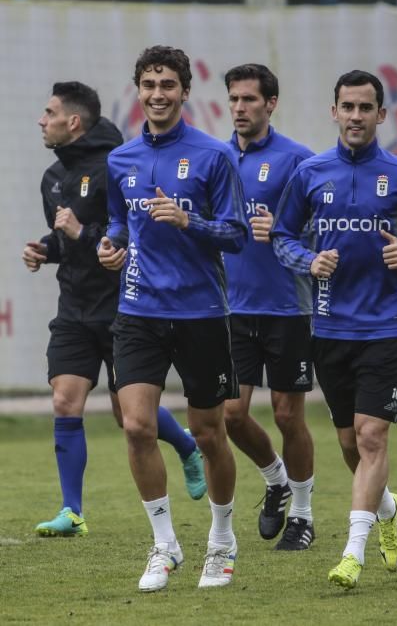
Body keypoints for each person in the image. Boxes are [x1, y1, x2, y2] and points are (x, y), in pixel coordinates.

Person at [271, 69, 397, 589]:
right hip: (329, 330)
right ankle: (388, 507)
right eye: (346, 107)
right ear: (334, 112)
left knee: (373, 436)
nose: (355, 116)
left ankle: (352, 553)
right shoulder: (310, 173)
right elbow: (283, 237)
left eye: (365, 107)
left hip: (386, 330)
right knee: (351, 444)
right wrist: (308, 261)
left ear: (381, 114)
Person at [23, 81, 206, 538]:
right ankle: (72, 511)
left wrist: (80, 232)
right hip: (74, 309)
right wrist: (46, 249)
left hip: (122, 306)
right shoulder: (51, 178)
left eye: (49, 113)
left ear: (74, 121)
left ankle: (186, 446)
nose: (42, 121)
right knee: (65, 400)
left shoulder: (116, 167)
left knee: (130, 417)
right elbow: (71, 242)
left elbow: (125, 234)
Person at [98, 46, 248, 591]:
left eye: (167, 85)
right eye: (148, 84)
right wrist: (110, 246)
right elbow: (118, 221)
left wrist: (189, 220)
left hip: (202, 312)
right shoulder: (120, 160)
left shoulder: (213, 156)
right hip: (138, 309)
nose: (157, 94)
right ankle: (164, 546)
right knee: (136, 424)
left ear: (185, 92)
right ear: (138, 90)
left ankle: (222, 540)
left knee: (210, 435)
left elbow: (235, 234)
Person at [222, 64, 316, 550]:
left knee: (286, 416)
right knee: (232, 416)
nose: (240, 108)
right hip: (231, 309)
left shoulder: (300, 160)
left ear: (271, 104)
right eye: (234, 99)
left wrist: (282, 228)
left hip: (286, 307)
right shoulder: (216, 158)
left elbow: (323, 228)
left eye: (250, 100)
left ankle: (302, 514)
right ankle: (276, 479)